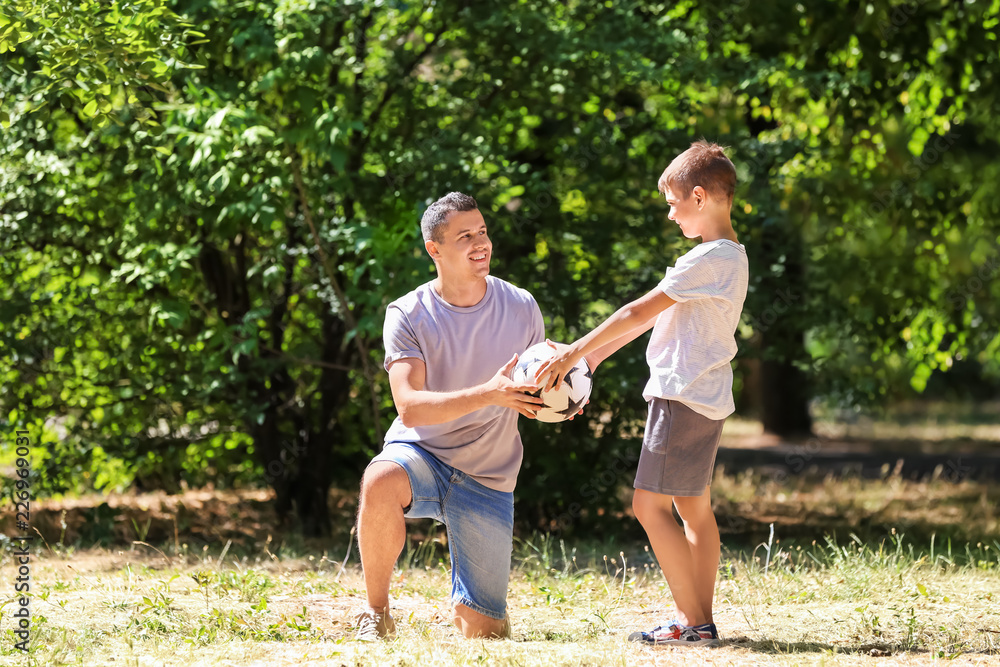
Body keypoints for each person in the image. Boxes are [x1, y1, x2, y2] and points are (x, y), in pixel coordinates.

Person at [535, 141, 748, 647]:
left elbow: (634, 310)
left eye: (674, 203)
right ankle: (700, 620)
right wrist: (590, 362)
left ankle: (693, 623)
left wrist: (570, 354)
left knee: (647, 507)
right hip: (704, 398)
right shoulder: (724, 258)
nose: (671, 214)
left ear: (700, 197)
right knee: (693, 509)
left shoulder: (708, 259)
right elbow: (651, 319)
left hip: (680, 398)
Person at [354, 192, 546, 641]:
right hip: (422, 453)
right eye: (465, 236)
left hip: (488, 477)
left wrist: (561, 401)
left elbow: (535, 387)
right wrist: (489, 393)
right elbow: (410, 406)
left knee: (482, 636)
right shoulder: (408, 313)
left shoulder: (521, 306)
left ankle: (481, 611)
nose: (481, 243)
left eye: (482, 231)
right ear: (433, 249)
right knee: (380, 478)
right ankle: (376, 611)